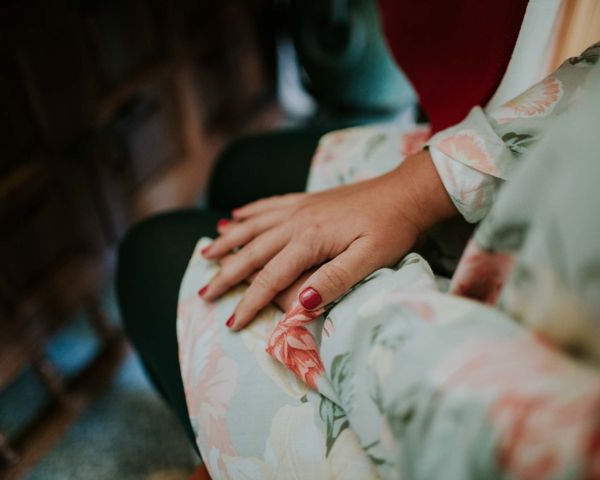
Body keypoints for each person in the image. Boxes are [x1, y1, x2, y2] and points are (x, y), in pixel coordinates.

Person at [117, 0, 600, 477]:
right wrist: (413, 190)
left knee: (151, 256)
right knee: (240, 170)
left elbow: (499, 440)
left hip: (453, 405)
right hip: (552, 204)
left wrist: (338, 302)